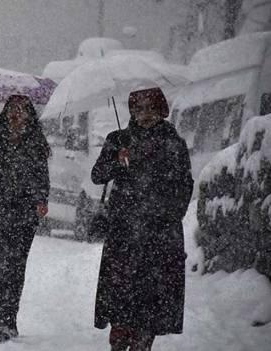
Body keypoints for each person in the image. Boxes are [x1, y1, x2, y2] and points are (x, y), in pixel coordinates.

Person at [91, 87, 193, 351]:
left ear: (161, 111)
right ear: (132, 111)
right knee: (120, 295)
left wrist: (169, 214)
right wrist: (116, 159)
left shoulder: (173, 143)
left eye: (151, 108)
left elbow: (184, 185)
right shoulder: (118, 139)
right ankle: (119, 340)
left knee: (151, 299)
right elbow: (97, 175)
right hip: (124, 232)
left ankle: (142, 344)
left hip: (159, 235)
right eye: (139, 109)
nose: (145, 114)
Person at [0, 94, 51, 342]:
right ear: (5, 112)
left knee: (17, 264)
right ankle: (3, 321)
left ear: (29, 114)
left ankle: (11, 318)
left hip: (26, 213)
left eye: (21, 110)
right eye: (12, 110)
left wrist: (41, 200)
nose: (16, 114)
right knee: (4, 262)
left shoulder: (36, 142)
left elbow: (42, 177)